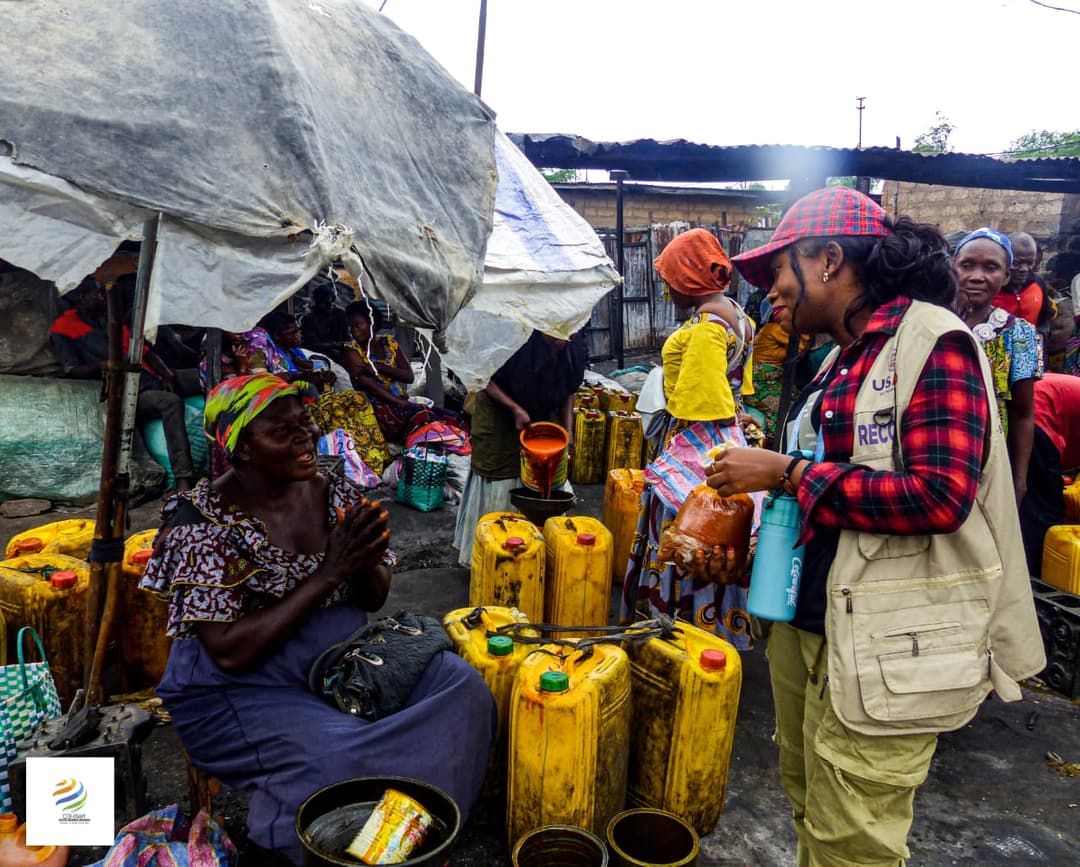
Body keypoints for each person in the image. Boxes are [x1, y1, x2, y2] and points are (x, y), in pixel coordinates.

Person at [704, 187, 1044, 867]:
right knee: (812, 807)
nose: (770, 292)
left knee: (854, 841)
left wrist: (787, 473)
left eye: (778, 271)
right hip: (814, 622)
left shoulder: (935, 343)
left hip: (889, 643)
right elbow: (839, 494)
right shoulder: (842, 358)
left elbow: (937, 497)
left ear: (828, 259)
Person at [140, 374, 493, 863]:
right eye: (282, 432)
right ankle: (328, 847)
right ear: (242, 449)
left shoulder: (332, 490)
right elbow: (228, 652)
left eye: (304, 423)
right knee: (340, 758)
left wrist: (366, 556)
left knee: (461, 690)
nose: (305, 435)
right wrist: (330, 572)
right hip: (240, 690)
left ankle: (409, 836)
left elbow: (373, 599)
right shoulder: (203, 523)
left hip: (344, 662)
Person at [619, 228, 760, 650]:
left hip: (697, 442)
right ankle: (716, 627)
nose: (666, 291)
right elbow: (732, 396)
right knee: (725, 535)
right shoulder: (739, 316)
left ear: (687, 280)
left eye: (669, 282)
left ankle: (678, 630)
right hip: (731, 435)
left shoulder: (704, 328)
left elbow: (702, 404)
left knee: (690, 536)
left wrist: (674, 441)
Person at [453, 329, 587, 565]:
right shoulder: (511, 336)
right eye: (554, 334)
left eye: (569, 333)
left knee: (548, 475)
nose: (563, 340)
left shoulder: (573, 346)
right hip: (498, 410)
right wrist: (515, 409)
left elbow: (569, 390)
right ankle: (494, 554)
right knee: (501, 474)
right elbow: (482, 376)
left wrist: (568, 431)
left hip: (543, 411)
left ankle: (540, 552)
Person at [49, 277, 197, 492]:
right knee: (170, 402)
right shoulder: (63, 329)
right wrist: (105, 364)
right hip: (128, 392)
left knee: (204, 376)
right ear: (81, 299)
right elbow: (72, 369)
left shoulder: (109, 319)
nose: (102, 298)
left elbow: (147, 353)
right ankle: (184, 478)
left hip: (151, 377)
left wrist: (167, 376)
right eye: (97, 294)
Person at [953, 228, 1042, 503]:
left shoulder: (1019, 334)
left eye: (991, 267)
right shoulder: (928, 323)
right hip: (931, 458)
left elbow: (1023, 413)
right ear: (952, 267)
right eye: (967, 265)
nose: (976, 276)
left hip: (990, 465)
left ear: (1006, 275)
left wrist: (1018, 479)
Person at [342, 301, 464, 443]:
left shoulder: (388, 344)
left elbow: (409, 377)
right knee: (424, 416)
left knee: (453, 417)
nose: (353, 330)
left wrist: (379, 367)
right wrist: (403, 403)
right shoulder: (351, 351)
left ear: (372, 324)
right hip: (377, 407)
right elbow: (374, 388)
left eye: (358, 325)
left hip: (399, 401)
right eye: (351, 326)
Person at [1019, 372, 1080, 576]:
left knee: (1031, 508)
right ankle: (1037, 584)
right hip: (1039, 414)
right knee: (1045, 515)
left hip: (1031, 406)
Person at [992, 231, 1055, 354]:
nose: (1024, 269)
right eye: (1016, 263)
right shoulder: (992, 287)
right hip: (996, 357)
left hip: (1031, 356)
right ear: (1004, 258)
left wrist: (1041, 335)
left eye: (1030, 263)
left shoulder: (1038, 284)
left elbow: (1045, 318)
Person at [300, 278, 349, 363]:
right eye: (324, 303)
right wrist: (334, 345)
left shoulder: (339, 314)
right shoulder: (309, 319)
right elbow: (312, 344)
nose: (328, 306)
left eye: (330, 303)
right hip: (319, 353)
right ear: (317, 303)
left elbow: (347, 337)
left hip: (339, 349)